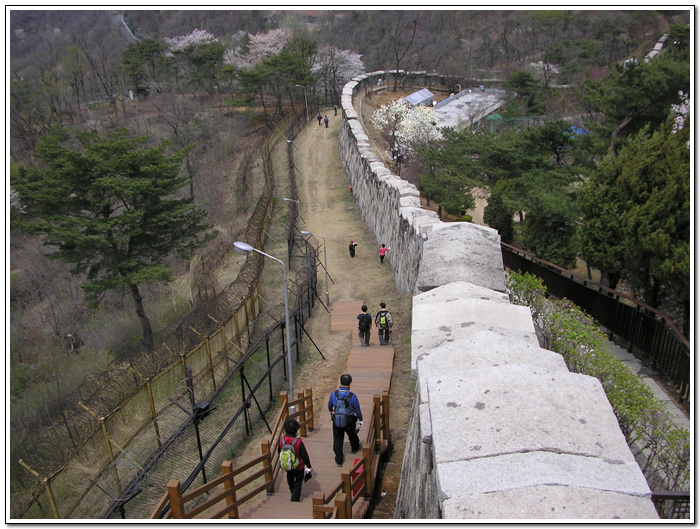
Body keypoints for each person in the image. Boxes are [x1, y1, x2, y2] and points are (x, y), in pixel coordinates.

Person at [327, 374, 363, 467]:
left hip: (337, 420)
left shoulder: (334, 394)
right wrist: (360, 420)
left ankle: (339, 459)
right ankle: (355, 447)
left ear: (340, 382)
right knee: (352, 434)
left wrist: (331, 412)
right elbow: (357, 409)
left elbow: (330, 406)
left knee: (338, 439)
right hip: (349, 420)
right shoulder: (352, 396)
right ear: (350, 383)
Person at [279, 418, 313, 502]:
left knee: (289, 476)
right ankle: (295, 497)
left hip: (287, 464)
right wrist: (309, 466)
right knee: (298, 480)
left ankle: (292, 490)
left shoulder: (282, 440)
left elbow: (279, 451)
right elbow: (304, 455)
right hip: (298, 465)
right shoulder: (298, 441)